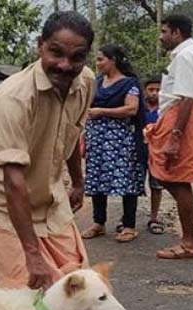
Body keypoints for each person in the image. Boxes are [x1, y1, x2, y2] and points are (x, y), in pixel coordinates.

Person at [0, 11, 125, 310]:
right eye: (55, 53)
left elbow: (73, 135)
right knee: (21, 292)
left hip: (51, 195)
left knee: (81, 283)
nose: (64, 65)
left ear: (86, 57)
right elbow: (13, 183)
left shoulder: (86, 81)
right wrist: (33, 255)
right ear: (41, 46)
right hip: (6, 202)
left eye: (75, 57)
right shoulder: (12, 97)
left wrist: (76, 182)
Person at [146, 14, 193, 259]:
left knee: (177, 177)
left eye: (164, 31)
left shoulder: (187, 56)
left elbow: (187, 97)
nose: (161, 36)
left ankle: (189, 242)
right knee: (163, 172)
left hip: (181, 117)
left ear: (177, 33)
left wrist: (175, 135)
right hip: (186, 116)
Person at [81, 45, 146, 243]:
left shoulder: (129, 84)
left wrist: (102, 112)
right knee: (97, 178)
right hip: (98, 139)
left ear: (113, 60)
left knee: (126, 179)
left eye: (101, 59)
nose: (98, 63)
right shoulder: (98, 82)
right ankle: (98, 222)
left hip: (120, 141)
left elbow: (131, 109)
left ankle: (129, 225)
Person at [143, 76, 166, 234]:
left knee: (156, 185)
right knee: (132, 184)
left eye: (158, 90)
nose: (155, 93)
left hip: (158, 151)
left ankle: (154, 217)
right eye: (151, 90)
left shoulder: (166, 109)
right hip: (139, 150)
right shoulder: (138, 108)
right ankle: (126, 218)